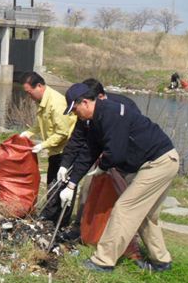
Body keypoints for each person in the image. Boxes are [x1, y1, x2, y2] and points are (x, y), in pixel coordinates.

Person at [62, 83, 178, 272]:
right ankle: (162, 261)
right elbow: (88, 152)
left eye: (74, 109)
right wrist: (72, 183)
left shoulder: (111, 114)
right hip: (152, 163)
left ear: (84, 102)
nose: (75, 114)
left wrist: (102, 166)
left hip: (160, 162)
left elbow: (116, 154)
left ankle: (103, 261)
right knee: (145, 215)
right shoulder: (95, 120)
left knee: (125, 208)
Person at [57, 78, 140, 241]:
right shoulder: (85, 113)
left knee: (122, 197)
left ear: (99, 97)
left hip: (127, 159)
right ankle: (80, 228)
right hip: (100, 156)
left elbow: (126, 140)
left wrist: (108, 160)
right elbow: (77, 140)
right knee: (87, 188)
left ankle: (123, 238)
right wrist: (65, 165)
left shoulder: (122, 106)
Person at [19, 72, 77, 225]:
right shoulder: (42, 101)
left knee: (63, 186)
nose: (29, 96)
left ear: (39, 86)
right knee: (52, 183)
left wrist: (42, 145)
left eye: (29, 92)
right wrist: (29, 133)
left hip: (67, 150)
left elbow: (63, 132)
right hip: (55, 150)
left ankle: (61, 222)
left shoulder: (56, 103)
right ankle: (49, 217)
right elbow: (41, 123)